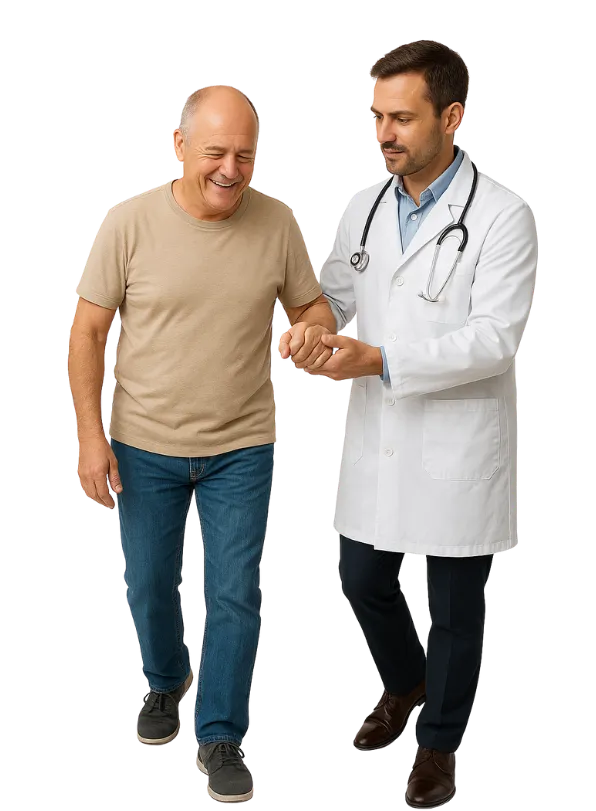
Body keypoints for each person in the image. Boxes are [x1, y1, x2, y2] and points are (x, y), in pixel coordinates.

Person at [67, 83, 336, 804]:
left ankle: (220, 734)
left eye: (245, 155)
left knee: (234, 594)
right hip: (143, 444)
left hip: (241, 446)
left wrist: (313, 328)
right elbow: (88, 331)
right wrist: (90, 437)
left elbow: (313, 305)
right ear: (178, 145)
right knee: (148, 584)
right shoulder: (129, 221)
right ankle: (166, 679)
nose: (231, 169)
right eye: (216, 152)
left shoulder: (277, 221)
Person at [286, 40, 537, 808]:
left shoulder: (502, 215)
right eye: (375, 116)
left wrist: (380, 359)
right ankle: (405, 682)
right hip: (379, 436)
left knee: (456, 609)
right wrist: (314, 333)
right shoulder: (363, 204)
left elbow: (495, 338)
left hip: (458, 443)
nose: (382, 133)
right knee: (362, 580)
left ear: (452, 117)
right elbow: (335, 298)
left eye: (401, 118)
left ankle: (438, 746)